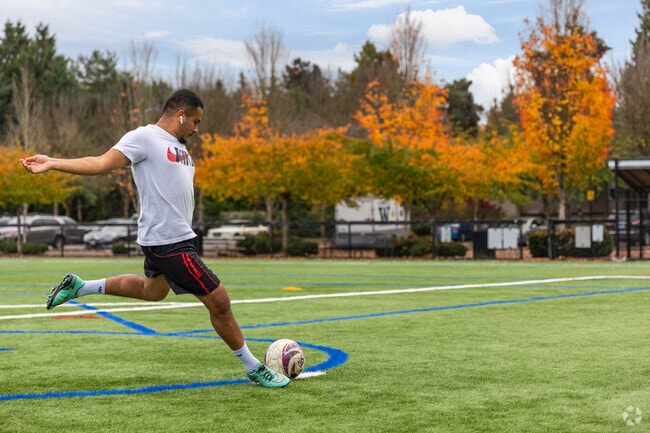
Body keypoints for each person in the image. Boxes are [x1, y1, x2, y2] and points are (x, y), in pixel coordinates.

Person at [20, 89, 289, 388]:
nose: (197, 129)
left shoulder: (179, 146)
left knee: (153, 291)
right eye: (195, 121)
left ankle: (81, 287)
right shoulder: (144, 138)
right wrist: (54, 162)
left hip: (177, 237)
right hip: (168, 241)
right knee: (220, 301)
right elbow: (99, 163)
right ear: (180, 115)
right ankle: (253, 367)